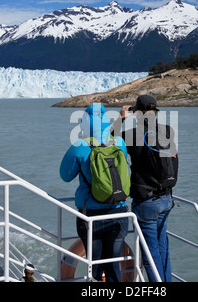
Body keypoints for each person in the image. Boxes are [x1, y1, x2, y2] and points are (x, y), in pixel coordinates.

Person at [111, 95, 178, 282]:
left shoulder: (133, 135)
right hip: (166, 199)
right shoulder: (168, 130)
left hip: (146, 201)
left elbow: (108, 140)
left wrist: (121, 119)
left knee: (150, 254)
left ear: (137, 113)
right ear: (155, 113)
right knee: (162, 248)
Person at [60, 103, 129, 282]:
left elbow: (65, 175)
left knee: (95, 265)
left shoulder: (81, 145)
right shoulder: (119, 143)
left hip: (91, 215)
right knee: (113, 265)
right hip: (119, 211)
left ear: (85, 123)